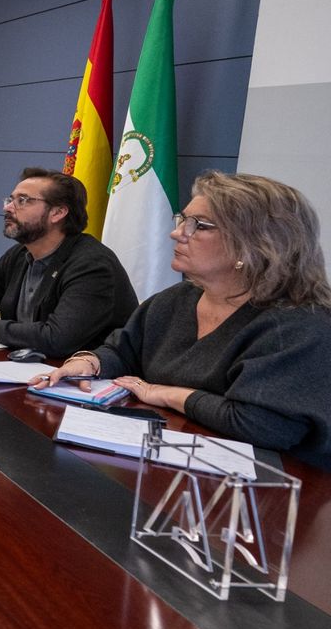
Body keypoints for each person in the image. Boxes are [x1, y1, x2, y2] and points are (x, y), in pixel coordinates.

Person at [36, 173, 331, 469]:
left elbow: (262, 425)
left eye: (198, 225)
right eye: (183, 219)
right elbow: (123, 350)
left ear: (253, 244)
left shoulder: (298, 325)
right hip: (169, 465)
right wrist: (89, 363)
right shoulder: (177, 298)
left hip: (276, 492)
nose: (177, 233)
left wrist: (167, 394)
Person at [0, 167, 138, 358]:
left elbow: (57, 339)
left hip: (85, 381)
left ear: (58, 213)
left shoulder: (92, 266)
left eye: (22, 200)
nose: (7, 207)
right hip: (29, 367)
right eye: (10, 199)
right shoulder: (20, 254)